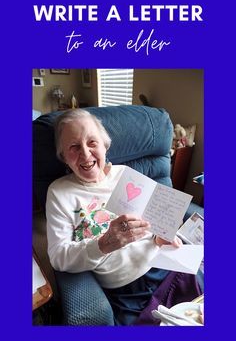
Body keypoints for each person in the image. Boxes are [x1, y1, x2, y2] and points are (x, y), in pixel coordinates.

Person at [46, 109, 201, 325]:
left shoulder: (127, 175)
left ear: (105, 145)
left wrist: (161, 236)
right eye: (73, 147)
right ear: (63, 156)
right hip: (126, 292)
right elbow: (58, 256)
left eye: (92, 142)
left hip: (165, 267)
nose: (85, 153)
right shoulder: (59, 193)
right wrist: (103, 244)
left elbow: (155, 220)